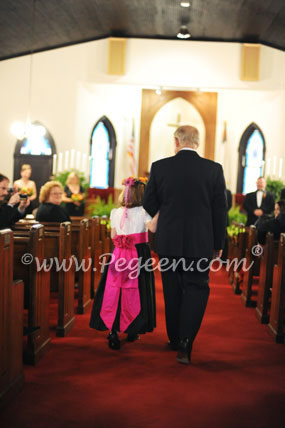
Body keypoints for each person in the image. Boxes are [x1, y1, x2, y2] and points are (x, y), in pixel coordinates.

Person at [143, 125, 227, 365]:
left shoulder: (160, 167)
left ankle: (174, 337)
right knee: (197, 288)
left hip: (168, 241)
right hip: (201, 242)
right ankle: (186, 342)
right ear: (197, 143)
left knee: (172, 289)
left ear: (176, 141)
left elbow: (149, 203)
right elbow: (220, 210)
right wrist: (218, 244)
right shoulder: (214, 169)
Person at [90, 176, 158, 350]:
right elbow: (153, 228)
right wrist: (159, 211)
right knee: (136, 290)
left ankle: (113, 330)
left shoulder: (116, 212)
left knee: (115, 290)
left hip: (119, 254)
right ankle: (132, 328)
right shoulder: (143, 212)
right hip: (138, 254)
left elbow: (113, 236)